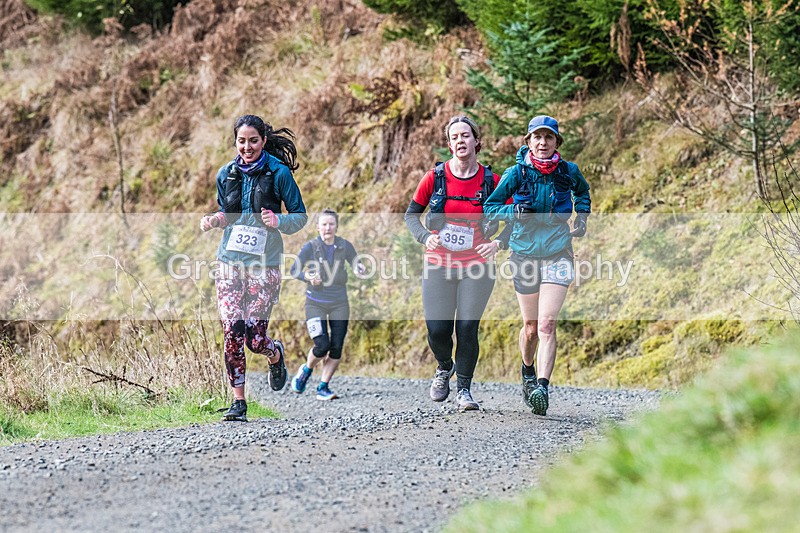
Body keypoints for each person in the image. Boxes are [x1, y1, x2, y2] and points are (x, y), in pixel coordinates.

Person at [200, 114, 308, 422]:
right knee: (232, 331)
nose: (247, 147)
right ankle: (239, 402)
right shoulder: (226, 174)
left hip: (265, 265)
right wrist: (215, 220)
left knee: (254, 339)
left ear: (263, 141)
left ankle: (274, 352)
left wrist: (279, 221)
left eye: (253, 141)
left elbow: (299, 216)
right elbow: (229, 213)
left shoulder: (280, 173)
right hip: (229, 263)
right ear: (235, 142)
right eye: (241, 141)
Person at [483, 115, 591, 416]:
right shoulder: (516, 173)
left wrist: (581, 216)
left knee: (546, 324)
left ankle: (542, 386)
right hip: (524, 254)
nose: (543, 143)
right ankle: (527, 371)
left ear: (557, 142)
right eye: (537, 138)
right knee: (530, 328)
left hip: (558, 253)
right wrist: (513, 210)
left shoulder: (569, 171)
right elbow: (490, 206)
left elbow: (583, 192)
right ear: (528, 142)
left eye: (549, 138)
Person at [404, 115, 511, 412]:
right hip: (438, 263)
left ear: (476, 141)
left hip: (477, 265)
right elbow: (411, 215)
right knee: (437, 329)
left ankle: (464, 389)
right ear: (449, 144)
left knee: (466, 327)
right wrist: (425, 237)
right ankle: (443, 366)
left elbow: (517, 216)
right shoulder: (435, 178)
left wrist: (499, 242)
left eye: (466, 135)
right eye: (455, 137)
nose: (460, 141)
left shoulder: (492, 181)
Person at [288, 209, 365, 400]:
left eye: (331, 224)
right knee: (322, 346)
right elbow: (294, 269)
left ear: (336, 226)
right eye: (324, 224)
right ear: (318, 227)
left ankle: (323, 386)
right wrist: (308, 277)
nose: (328, 228)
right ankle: (306, 370)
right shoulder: (310, 247)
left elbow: (355, 261)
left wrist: (358, 268)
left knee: (336, 346)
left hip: (339, 302)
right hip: (315, 303)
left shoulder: (344, 246)